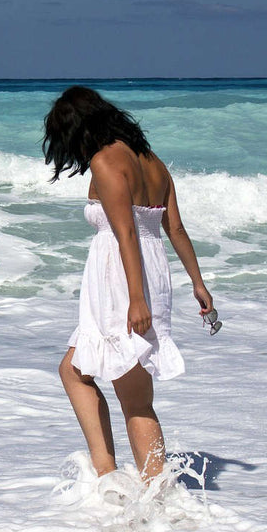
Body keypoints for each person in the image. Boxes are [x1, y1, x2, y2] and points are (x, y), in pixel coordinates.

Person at [43, 86, 215, 483]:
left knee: (126, 395)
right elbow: (175, 228)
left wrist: (137, 301)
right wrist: (198, 283)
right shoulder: (154, 163)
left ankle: (133, 488)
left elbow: (126, 236)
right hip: (152, 272)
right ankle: (130, 484)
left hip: (124, 281)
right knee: (88, 375)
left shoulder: (106, 162)